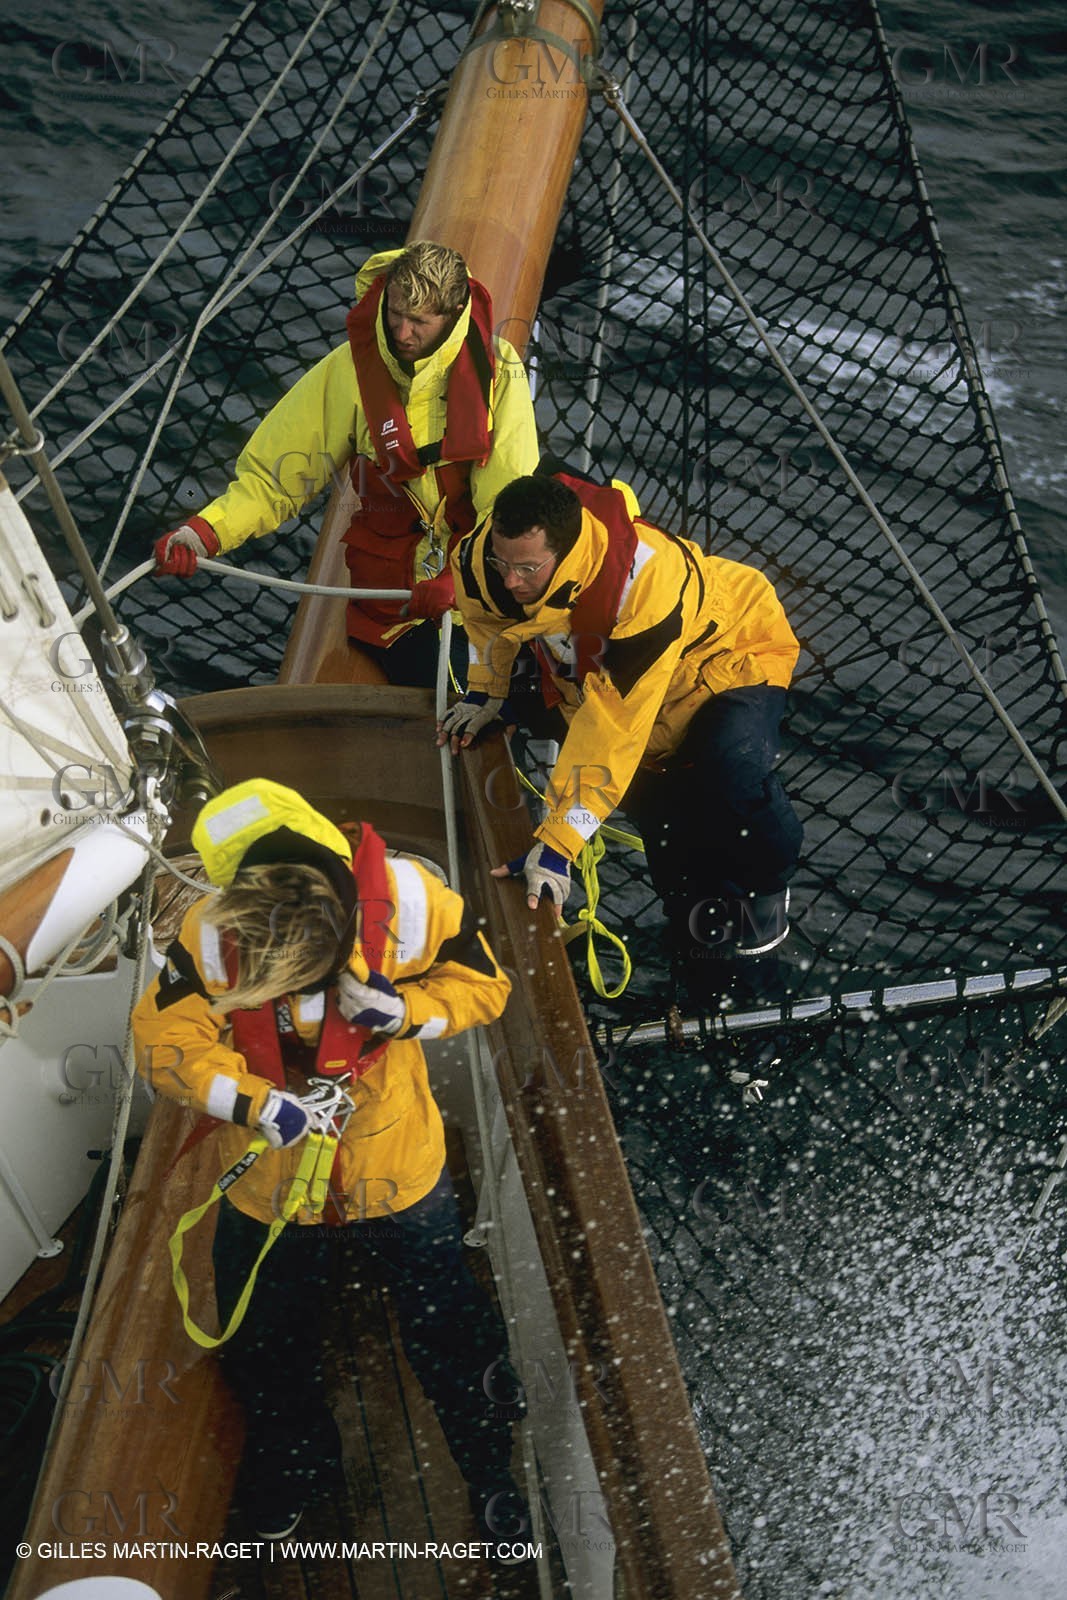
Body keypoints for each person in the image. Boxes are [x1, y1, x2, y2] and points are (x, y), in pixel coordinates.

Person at [133, 778, 524, 1544]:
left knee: (450, 1331)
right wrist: (251, 1102)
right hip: (272, 1180)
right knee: (264, 1341)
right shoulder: (210, 935)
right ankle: (299, 1464)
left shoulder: (413, 905)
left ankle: (490, 1473)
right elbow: (165, 1042)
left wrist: (407, 1012)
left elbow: (486, 987)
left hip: (396, 1163)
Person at [437, 470, 804, 996]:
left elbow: (613, 727)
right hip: (610, 685)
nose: (511, 580)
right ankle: (700, 982)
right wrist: (485, 691)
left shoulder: (646, 585)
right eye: (503, 563)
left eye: (526, 568)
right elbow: (484, 622)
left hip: (727, 659)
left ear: (565, 553)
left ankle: (769, 886)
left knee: (729, 774)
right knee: (672, 849)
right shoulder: (483, 560)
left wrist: (558, 845)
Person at [152, 241, 539, 686]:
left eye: (418, 322)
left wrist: (467, 581)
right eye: (395, 313)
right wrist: (206, 532)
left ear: (453, 316)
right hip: (394, 605)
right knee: (468, 692)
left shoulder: (498, 370)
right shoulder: (350, 370)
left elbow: (508, 500)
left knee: (544, 673)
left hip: (479, 581)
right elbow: (274, 480)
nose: (401, 332)